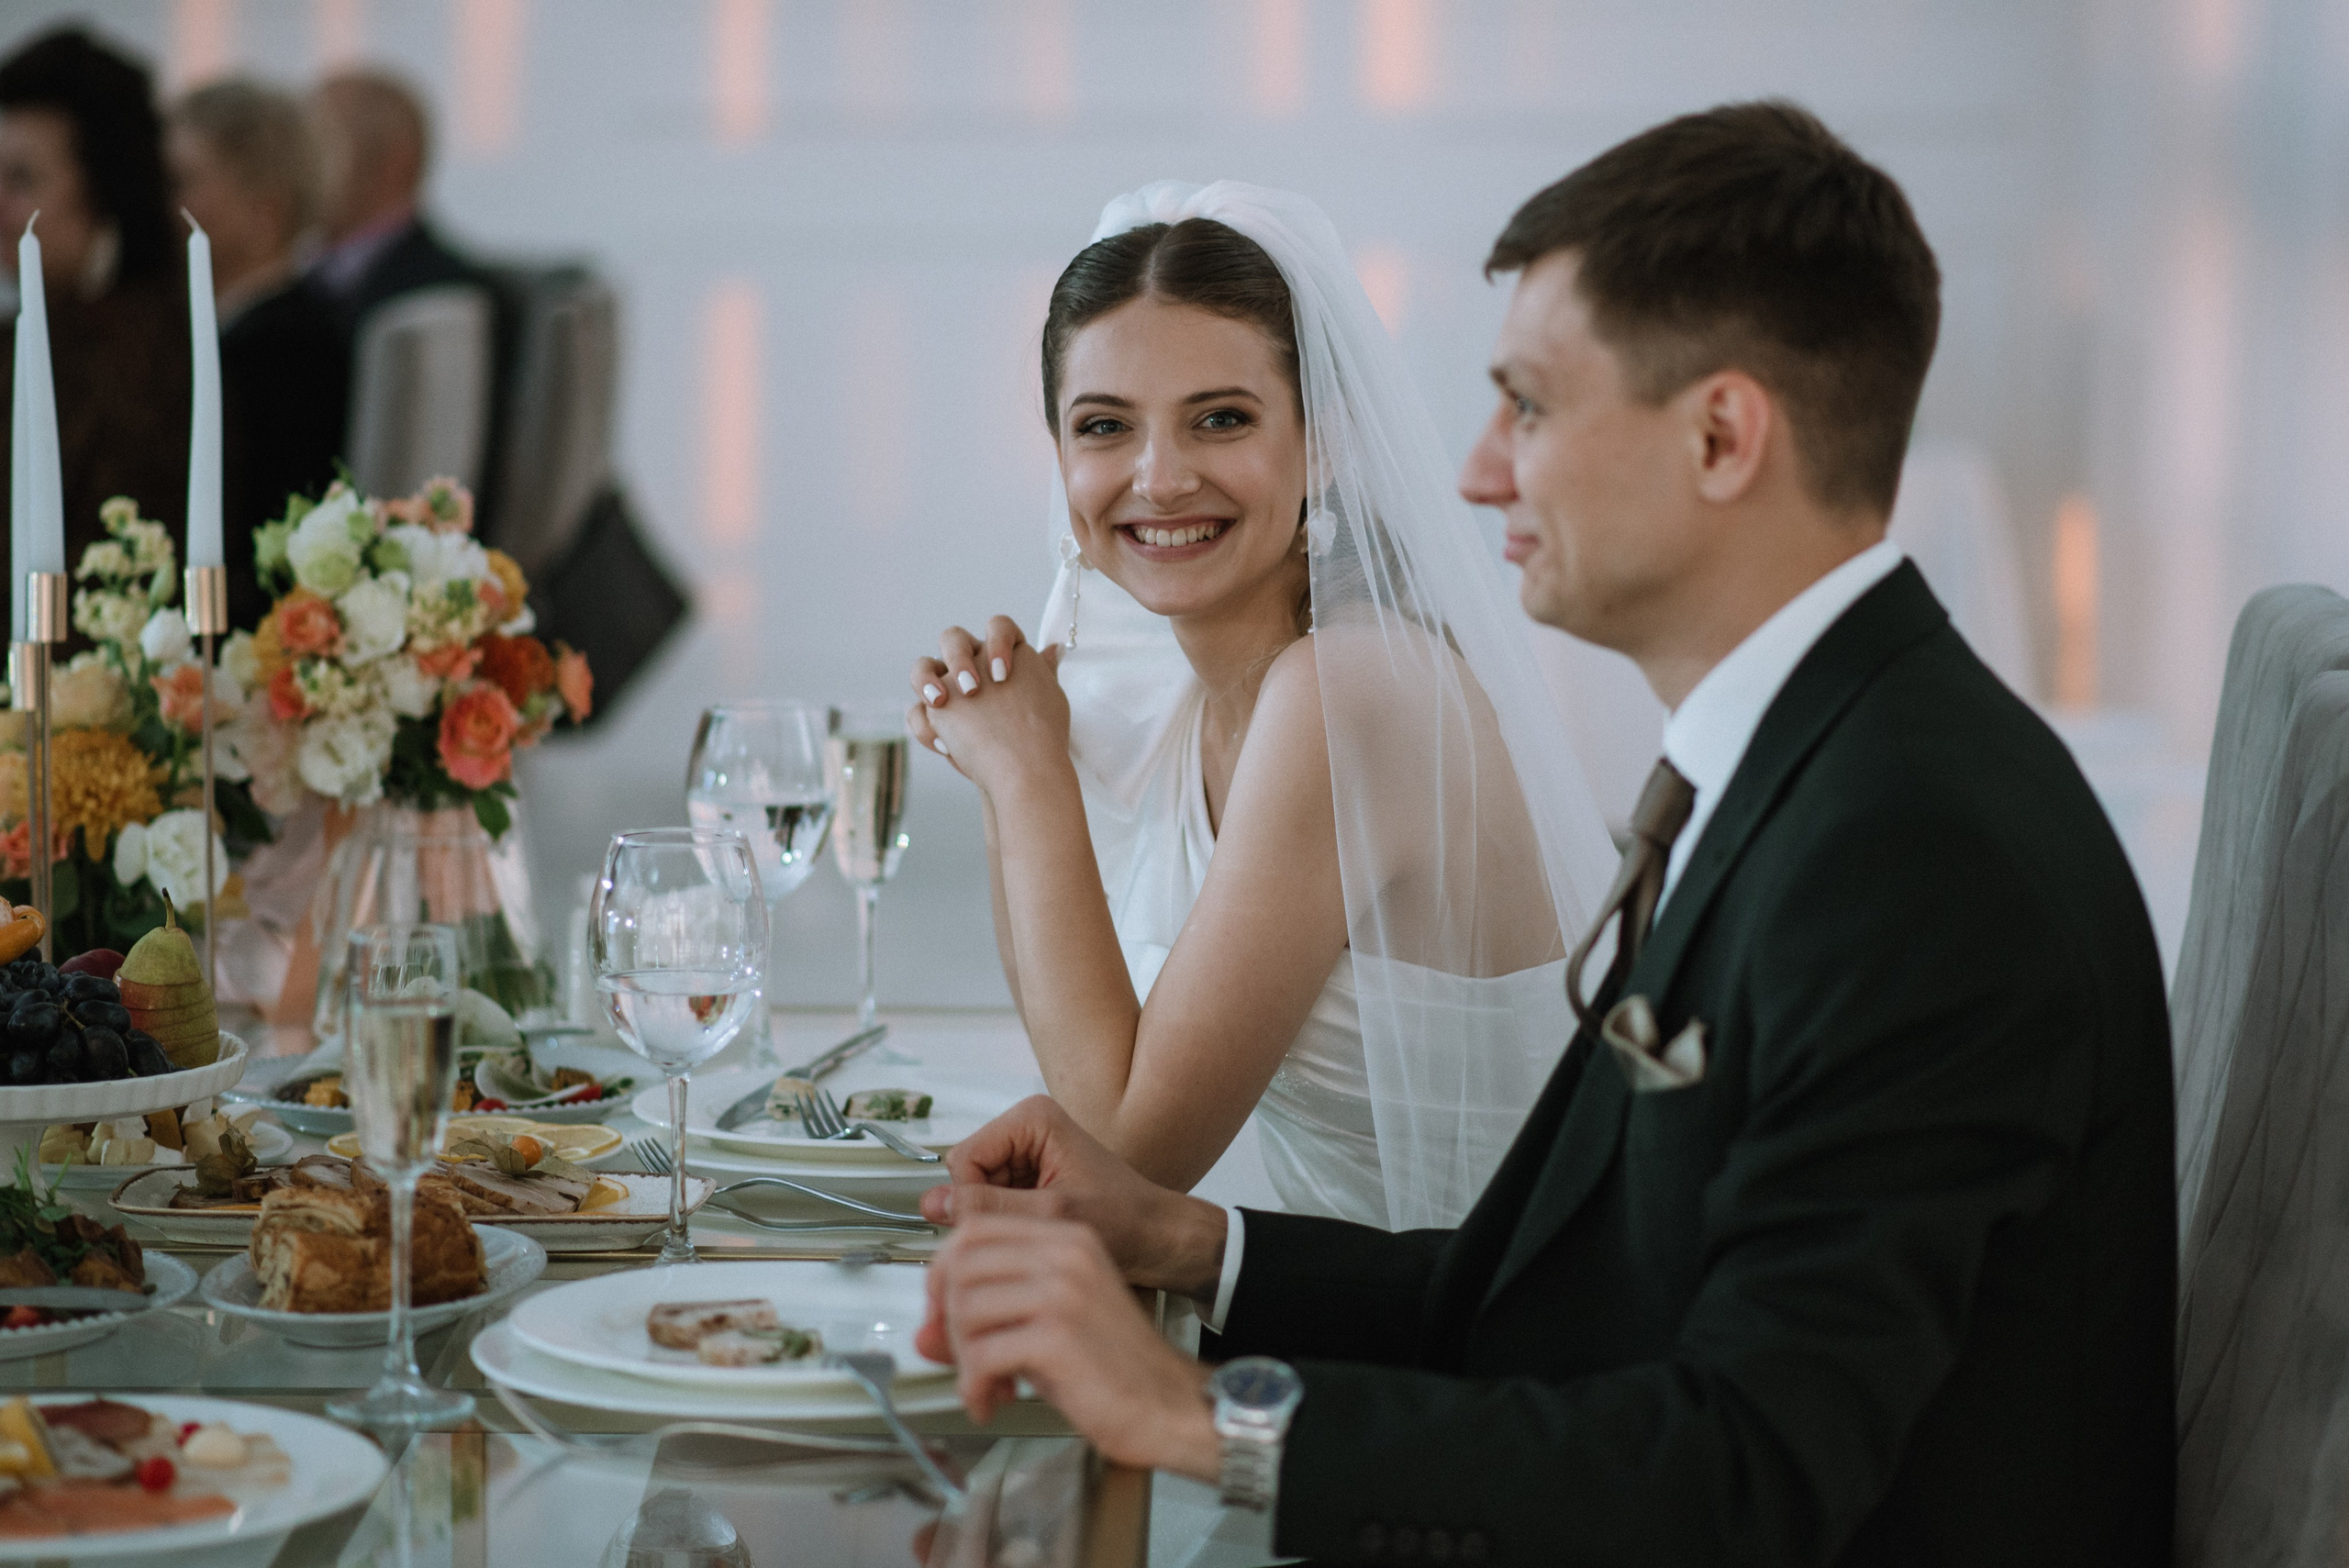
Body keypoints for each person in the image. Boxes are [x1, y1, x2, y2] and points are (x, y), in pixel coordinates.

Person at [914, 103, 2176, 1565]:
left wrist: (1206, 1420)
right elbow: (1595, 1293)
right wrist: (1184, 1244)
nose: (1473, 473)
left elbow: (1746, 1474)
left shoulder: (1910, 855)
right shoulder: (1810, 759)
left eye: (1528, 406)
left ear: (1720, 436)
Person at [908, 184, 1619, 1229]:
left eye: (1221, 419)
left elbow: (1126, 1154)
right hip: (1340, 1312)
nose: (1158, 478)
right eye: (1104, 426)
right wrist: (1010, 758)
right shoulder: (1201, 697)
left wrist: (1025, 774)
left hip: (1491, 1353)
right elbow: (1078, 1064)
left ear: (1321, 442)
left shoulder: (1349, 691)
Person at [0, 26, 189, 622]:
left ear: (106, 189)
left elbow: (112, 595)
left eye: (22, 179)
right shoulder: (30, 332)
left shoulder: (152, 361)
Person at [168, 79, 349, 631]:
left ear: (267, 206)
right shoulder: (255, 330)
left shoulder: (285, 351)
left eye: (184, 181)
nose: (163, 203)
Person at [305, 69, 475, 332]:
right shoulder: (291, 279)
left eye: (320, 147)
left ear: (393, 164)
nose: (297, 167)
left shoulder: (455, 298)